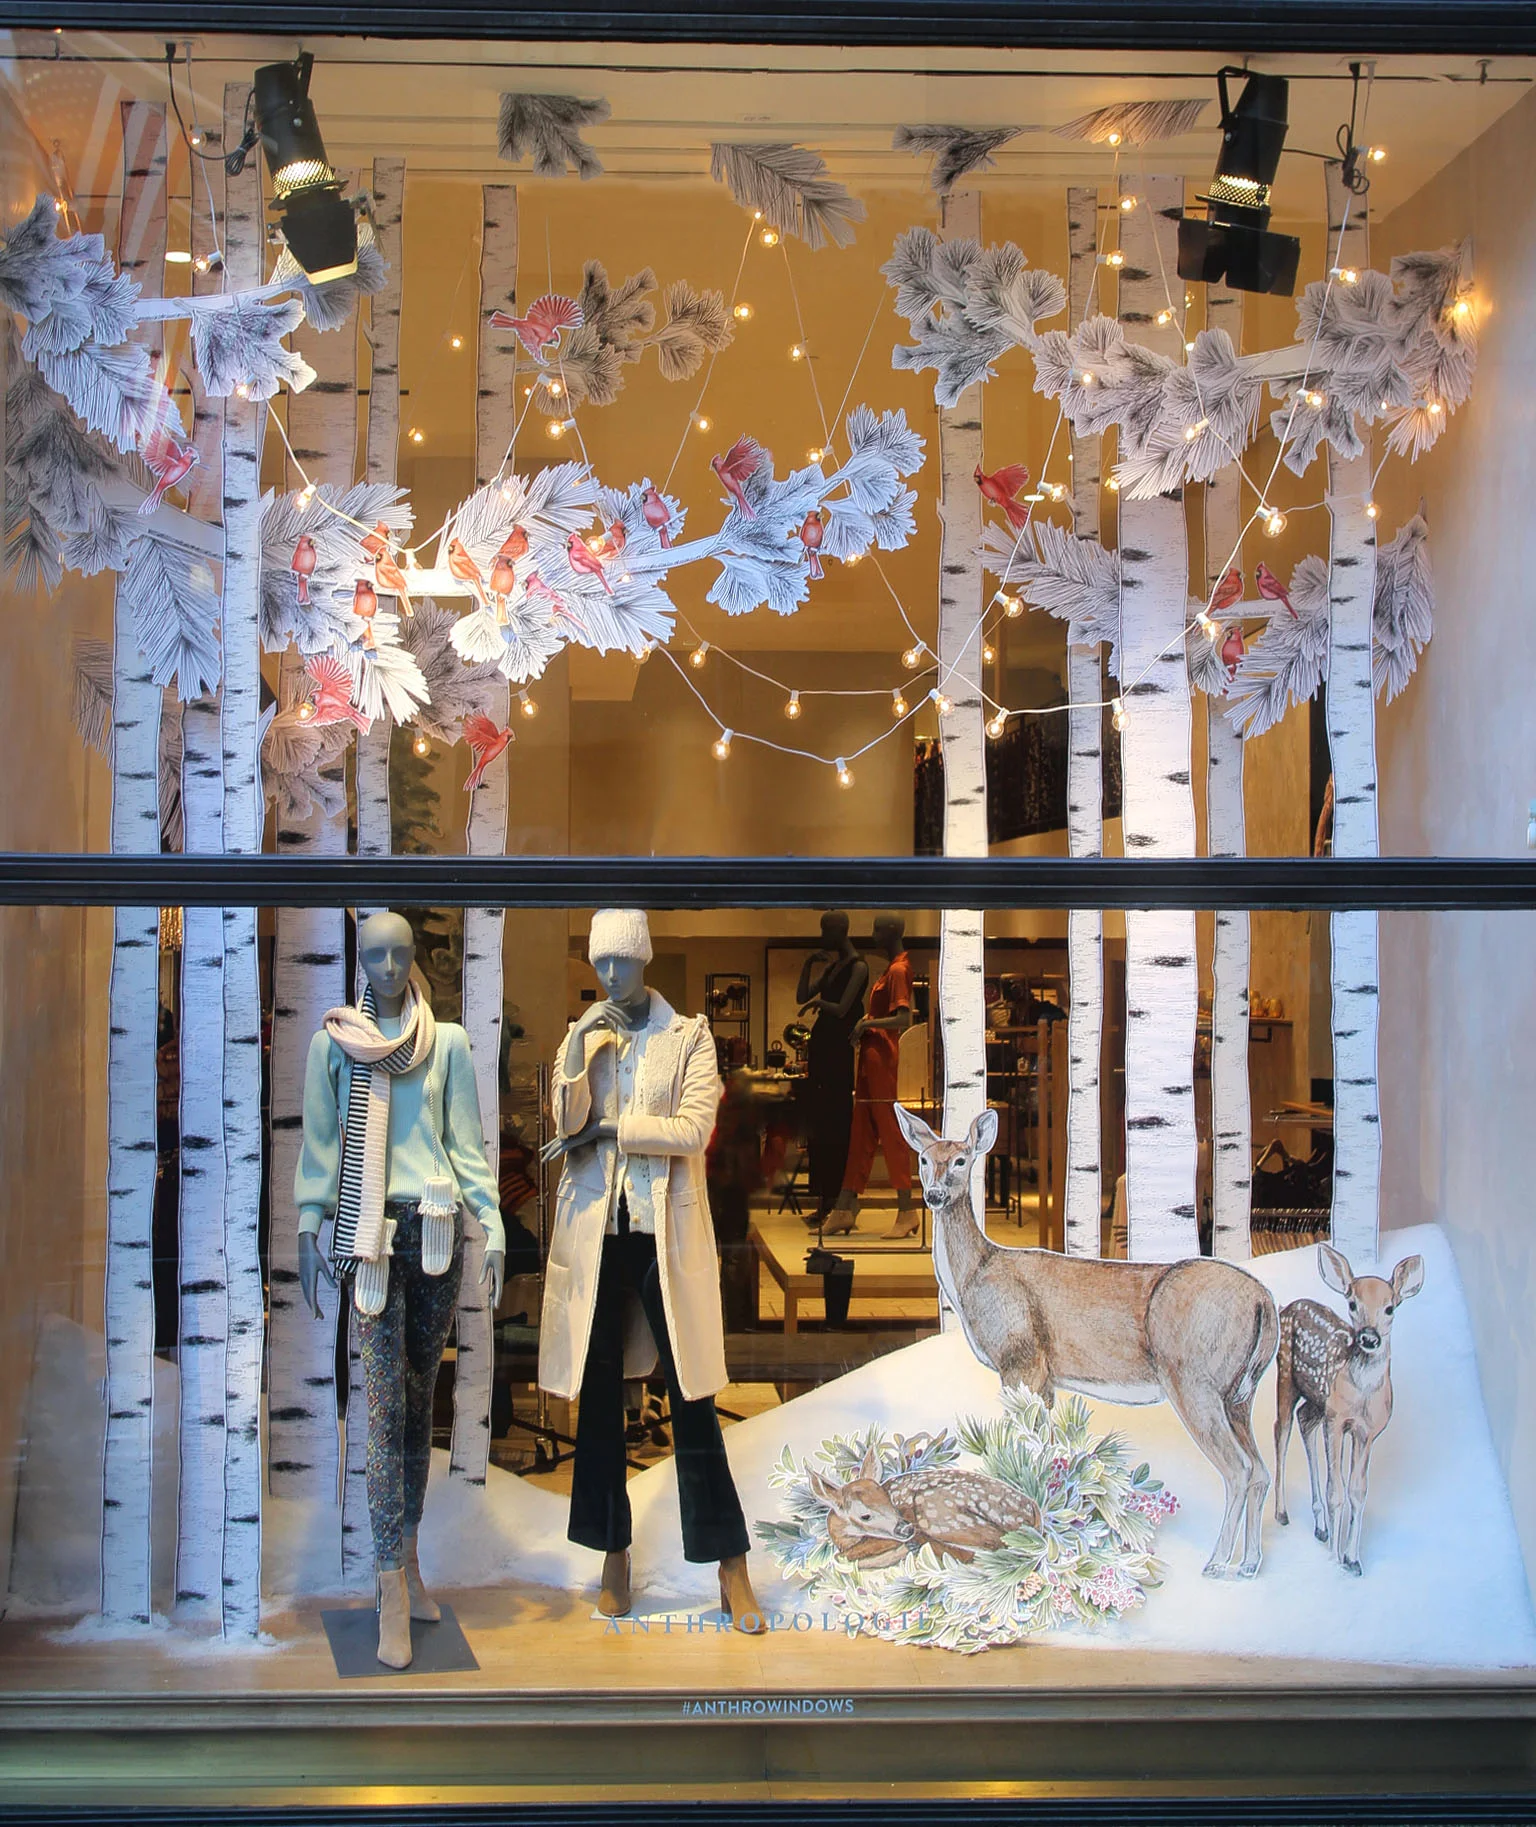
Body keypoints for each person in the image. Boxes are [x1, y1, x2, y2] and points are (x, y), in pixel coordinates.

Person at [538, 909, 765, 1633]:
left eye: (621, 963)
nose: (608, 976)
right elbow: (564, 1123)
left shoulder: (689, 1036)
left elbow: (693, 1131)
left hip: (662, 1232)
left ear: (645, 960)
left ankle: (730, 1563)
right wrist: (580, 1056)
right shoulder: (583, 1033)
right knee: (599, 1396)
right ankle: (613, 1551)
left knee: (691, 1396)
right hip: (599, 1235)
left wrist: (614, 1129)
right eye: (599, 963)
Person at [296, 912, 504, 1670]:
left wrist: (496, 1223)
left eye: (399, 953)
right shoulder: (337, 1044)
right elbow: (321, 1146)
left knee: (420, 1399)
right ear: (360, 958)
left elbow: (465, 1143)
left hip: (437, 1231)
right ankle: (386, 1583)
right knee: (382, 1404)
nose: (387, 966)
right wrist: (306, 1225)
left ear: (415, 959)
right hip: (369, 1236)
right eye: (374, 954)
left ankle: (410, 1560)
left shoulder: (443, 1042)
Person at [824, 914, 917, 1240]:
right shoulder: (892, 968)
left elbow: (904, 1019)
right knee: (861, 1133)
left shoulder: (898, 970)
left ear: (891, 931)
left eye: (877, 928)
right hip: (870, 1056)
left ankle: (907, 1210)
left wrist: (867, 1024)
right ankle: (844, 1207)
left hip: (881, 1058)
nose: (872, 933)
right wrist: (868, 1022)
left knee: (889, 1132)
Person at [794, 912, 868, 1228]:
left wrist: (818, 1006)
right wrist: (809, 963)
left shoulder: (858, 968)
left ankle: (838, 1203)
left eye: (827, 930)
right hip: (822, 1055)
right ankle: (824, 1200)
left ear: (840, 931)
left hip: (837, 1057)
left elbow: (841, 1009)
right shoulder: (833, 968)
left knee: (837, 1128)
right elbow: (801, 994)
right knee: (821, 1130)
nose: (823, 936)